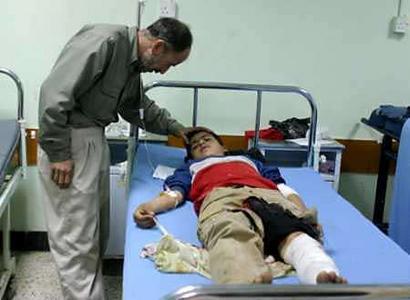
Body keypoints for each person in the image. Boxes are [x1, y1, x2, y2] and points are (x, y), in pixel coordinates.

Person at [38, 18, 192, 300]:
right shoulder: (105, 41)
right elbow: (53, 94)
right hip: (69, 142)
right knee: (76, 239)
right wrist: (58, 153)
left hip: (94, 138)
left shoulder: (133, 64)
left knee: (95, 233)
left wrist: (177, 128)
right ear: (158, 46)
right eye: (170, 63)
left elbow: (137, 106)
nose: (163, 70)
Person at [134, 127, 347, 285]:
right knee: (229, 232)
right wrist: (148, 206)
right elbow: (174, 194)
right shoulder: (191, 168)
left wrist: (303, 217)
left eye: (206, 139)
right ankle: (246, 282)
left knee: (293, 232)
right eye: (195, 145)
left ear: (224, 147)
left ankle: (319, 274)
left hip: (266, 194)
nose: (200, 143)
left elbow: (284, 189)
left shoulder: (248, 160)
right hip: (221, 197)